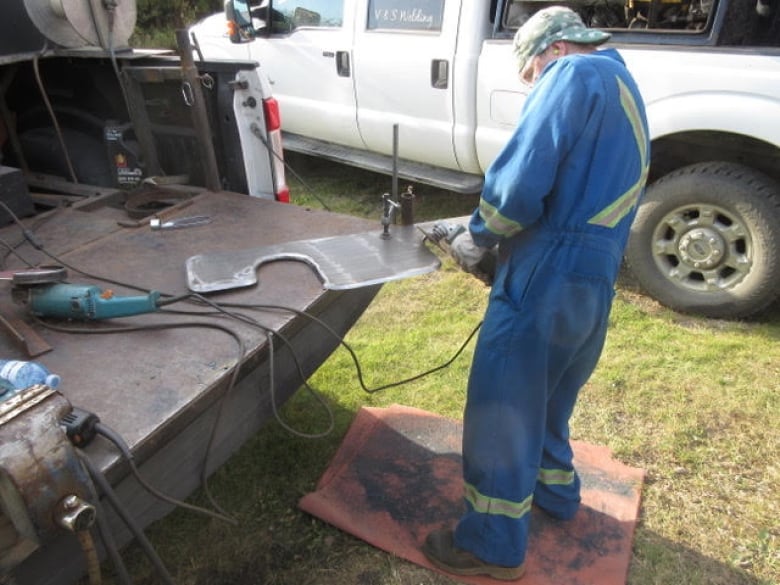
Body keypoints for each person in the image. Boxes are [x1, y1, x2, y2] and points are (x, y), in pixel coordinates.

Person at [423, 6, 650, 581]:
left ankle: (490, 544)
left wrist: (479, 236)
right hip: (593, 280)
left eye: (532, 74)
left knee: (505, 403)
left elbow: (523, 176)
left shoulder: (573, 76)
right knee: (549, 396)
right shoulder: (624, 86)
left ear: (552, 50)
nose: (534, 84)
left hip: (547, 271)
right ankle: (556, 493)